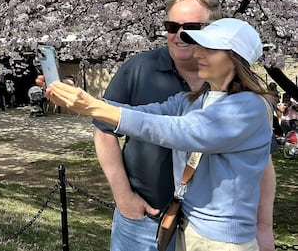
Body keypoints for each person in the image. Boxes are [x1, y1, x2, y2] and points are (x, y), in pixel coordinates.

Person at [49, 18, 273, 251]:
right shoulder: (194, 100)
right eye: (200, 47)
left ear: (236, 58)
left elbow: (179, 131)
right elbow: (146, 114)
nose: (198, 54)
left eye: (210, 49)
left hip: (224, 241)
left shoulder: (248, 107)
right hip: (190, 228)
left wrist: (95, 108)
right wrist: (86, 101)